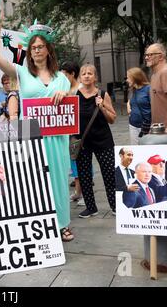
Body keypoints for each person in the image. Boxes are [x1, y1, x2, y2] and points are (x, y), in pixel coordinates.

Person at [0, 11, 74, 241]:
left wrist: (63, 92)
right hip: (32, 136)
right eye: (33, 47)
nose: (36, 50)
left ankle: (63, 223)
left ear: (48, 49)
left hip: (56, 137)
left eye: (40, 46)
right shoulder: (21, 72)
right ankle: (40, 223)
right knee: (35, 179)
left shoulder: (60, 77)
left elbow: (70, 97)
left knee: (57, 178)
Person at [74, 64, 117, 218]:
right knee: (84, 176)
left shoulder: (102, 94)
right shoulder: (73, 95)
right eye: (83, 73)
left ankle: (115, 206)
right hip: (82, 142)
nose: (86, 76)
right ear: (79, 77)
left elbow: (112, 119)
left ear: (95, 77)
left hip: (103, 140)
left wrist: (102, 107)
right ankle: (91, 207)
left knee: (109, 174)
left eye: (90, 73)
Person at [59, 61, 85, 206]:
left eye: (64, 75)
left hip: (78, 131)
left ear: (72, 74)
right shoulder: (66, 88)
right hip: (69, 131)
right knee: (74, 162)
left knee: (79, 162)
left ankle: (82, 194)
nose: (62, 78)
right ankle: (78, 192)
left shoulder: (79, 89)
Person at [126, 67, 151, 144]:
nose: (127, 80)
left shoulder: (148, 89)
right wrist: (128, 106)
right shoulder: (132, 90)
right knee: (135, 150)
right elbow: (130, 100)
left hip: (147, 126)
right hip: (133, 125)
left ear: (135, 78)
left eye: (128, 78)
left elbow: (155, 107)